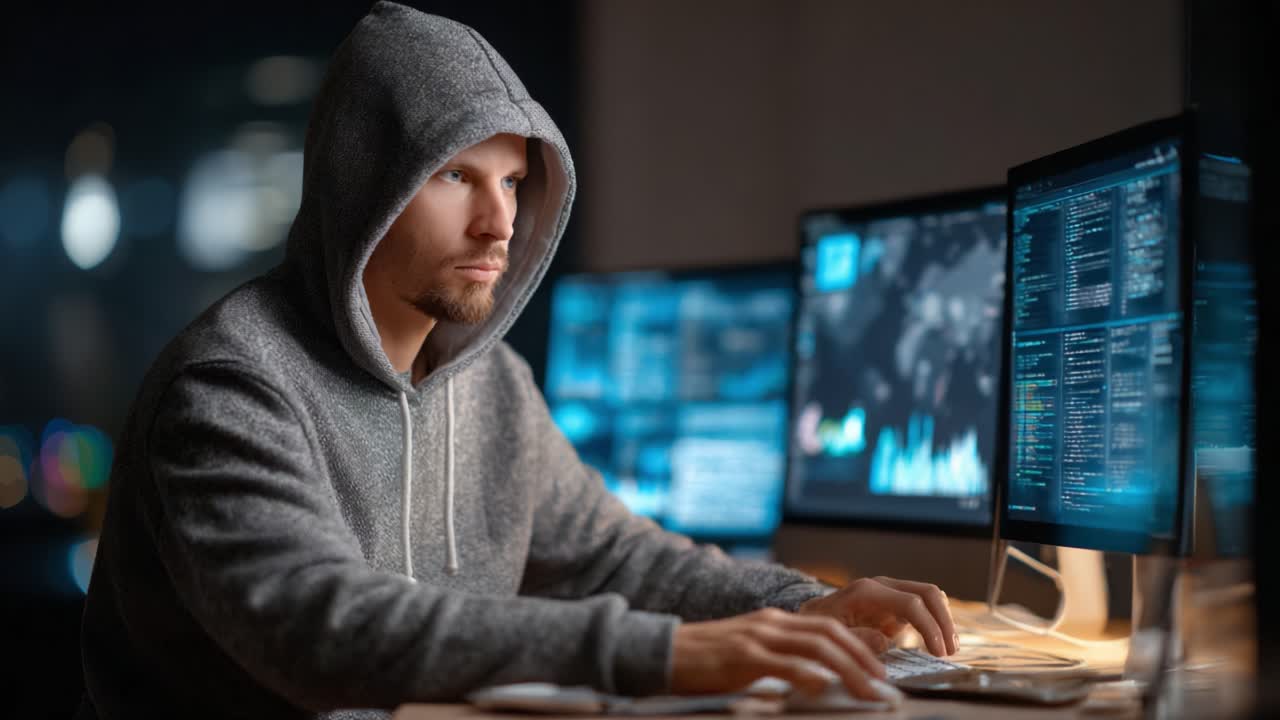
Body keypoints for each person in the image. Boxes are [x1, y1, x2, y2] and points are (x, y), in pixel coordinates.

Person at [78, 3, 958, 718]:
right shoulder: (230, 385)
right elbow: (319, 626)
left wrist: (799, 604)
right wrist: (665, 656)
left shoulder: (493, 384)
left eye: (511, 180)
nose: (499, 222)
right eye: (456, 176)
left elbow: (614, 558)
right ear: (361, 185)